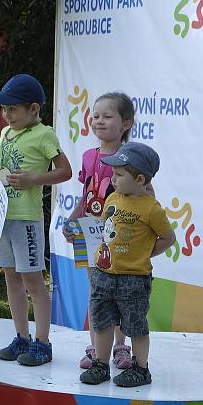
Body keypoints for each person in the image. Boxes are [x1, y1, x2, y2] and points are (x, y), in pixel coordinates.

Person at [0, 74, 72, 367]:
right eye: (4, 110)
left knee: (33, 281)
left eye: (13, 109)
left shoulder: (44, 134)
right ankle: (21, 336)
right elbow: (0, 168)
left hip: (27, 220)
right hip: (3, 217)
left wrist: (35, 179)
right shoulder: (7, 134)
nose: (6, 115)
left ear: (33, 109)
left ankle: (42, 342)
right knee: (11, 279)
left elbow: (65, 171)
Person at [78, 142, 176, 387]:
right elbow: (107, 230)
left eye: (120, 175)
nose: (113, 178)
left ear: (140, 178)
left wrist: (143, 254)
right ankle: (101, 364)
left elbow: (168, 238)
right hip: (104, 272)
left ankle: (141, 369)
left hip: (134, 278)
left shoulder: (151, 208)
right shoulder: (112, 198)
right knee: (101, 320)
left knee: (135, 324)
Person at [62, 93, 138, 371]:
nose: (99, 121)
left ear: (126, 122)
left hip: (120, 239)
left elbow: (142, 197)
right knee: (97, 292)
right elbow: (87, 196)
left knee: (118, 293)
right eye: (95, 116)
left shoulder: (131, 160)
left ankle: (120, 347)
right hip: (89, 236)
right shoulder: (87, 157)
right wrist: (71, 221)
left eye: (107, 116)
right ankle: (97, 347)